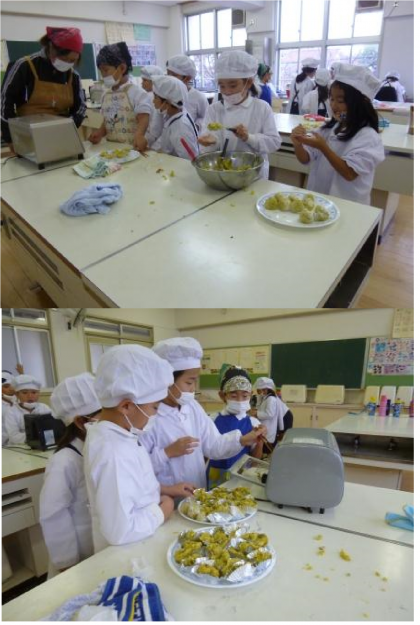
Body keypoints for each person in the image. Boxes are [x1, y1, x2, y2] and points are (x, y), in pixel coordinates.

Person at [84, 344, 194, 553]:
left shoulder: (122, 435)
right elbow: (121, 531)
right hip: (128, 551)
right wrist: (163, 510)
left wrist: (165, 490)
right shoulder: (113, 452)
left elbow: (133, 488)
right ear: (126, 406)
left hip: (142, 539)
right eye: (154, 407)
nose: (155, 414)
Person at [141, 338, 266, 490]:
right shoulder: (146, 415)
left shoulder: (192, 407)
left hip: (196, 490)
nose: (193, 388)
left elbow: (213, 446)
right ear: (167, 380)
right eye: (189, 382)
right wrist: (166, 453)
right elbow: (136, 470)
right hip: (165, 496)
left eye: (196, 381)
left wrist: (242, 440)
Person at [290, 63, 385, 205]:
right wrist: (298, 144)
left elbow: (349, 173)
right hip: (320, 201)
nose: (333, 105)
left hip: (348, 206)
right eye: (332, 99)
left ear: (360, 103)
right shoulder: (328, 128)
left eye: (340, 101)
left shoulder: (368, 136)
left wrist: (323, 147)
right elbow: (305, 159)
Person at [39, 373, 101, 578]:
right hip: (77, 553)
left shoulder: (98, 448)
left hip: (100, 543)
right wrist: (67, 562)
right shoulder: (63, 461)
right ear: (81, 422)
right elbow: (53, 514)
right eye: (104, 416)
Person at [1, 27, 86, 154]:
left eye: (72, 61)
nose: (68, 64)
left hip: (62, 137)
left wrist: (66, 129)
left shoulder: (73, 76)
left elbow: (80, 108)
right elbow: (4, 101)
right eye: (64, 59)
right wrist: (10, 137)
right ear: (51, 48)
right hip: (28, 137)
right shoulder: (24, 66)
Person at [198, 50, 282, 179]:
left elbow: (274, 143)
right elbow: (208, 147)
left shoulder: (261, 108)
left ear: (249, 82)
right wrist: (210, 142)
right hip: (223, 173)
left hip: (254, 176)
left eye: (232, 86)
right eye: (222, 86)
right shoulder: (214, 109)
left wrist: (249, 137)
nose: (227, 92)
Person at [207, 366, 266, 489]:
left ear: (251, 395)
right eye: (233, 396)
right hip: (215, 475)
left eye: (245, 396)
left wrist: (260, 442)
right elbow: (204, 452)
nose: (239, 400)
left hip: (241, 476)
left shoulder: (253, 423)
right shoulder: (212, 420)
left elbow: (255, 459)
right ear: (222, 395)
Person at [89, 43, 152, 152]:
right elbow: (108, 120)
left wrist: (139, 135)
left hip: (132, 149)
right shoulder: (105, 94)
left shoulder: (137, 93)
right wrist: (100, 132)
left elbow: (143, 118)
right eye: (101, 71)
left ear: (122, 68)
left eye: (106, 70)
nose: (103, 75)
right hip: (111, 149)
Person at [147, 75, 199, 159]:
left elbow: (189, 160)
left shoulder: (180, 127)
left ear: (167, 102)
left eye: (155, 97)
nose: (153, 101)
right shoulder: (173, 116)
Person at [3, 375, 51, 445]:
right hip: (19, 447)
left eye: (34, 392)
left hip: (44, 444)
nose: (30, 396)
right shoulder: (11, 412)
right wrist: (37, 435)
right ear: (17, 394)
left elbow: (52, 428)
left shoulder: (45, 408)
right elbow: (14, 437)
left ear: (38, 394)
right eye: (24, 393)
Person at [166, 55, 209, 132]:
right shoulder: (164, 93)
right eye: (168, 73)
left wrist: (196, 126)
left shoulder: (198, 97)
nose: (169, 77)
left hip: (190, 136)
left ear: (187, 78)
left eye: (174, 75)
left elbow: (206, 117)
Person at [253, 377, 293, 452]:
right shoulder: (265, 396)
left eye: (259, 390)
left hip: (285, 416)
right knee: (276, 436)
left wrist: (256, 413)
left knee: (283, 438)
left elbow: (270, 414)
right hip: (278, 416)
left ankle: (283, 452)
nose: (258, 392)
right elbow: (260, 406)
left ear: (265, 389)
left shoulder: (271, 398)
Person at [139, 65, 165, 150]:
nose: (142, 83)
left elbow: (155, 126)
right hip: (151, 140)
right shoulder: (149, 96)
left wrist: (147, 142)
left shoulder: (152, 97)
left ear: (154, 81)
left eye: (145, 80)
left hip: (153, 142)